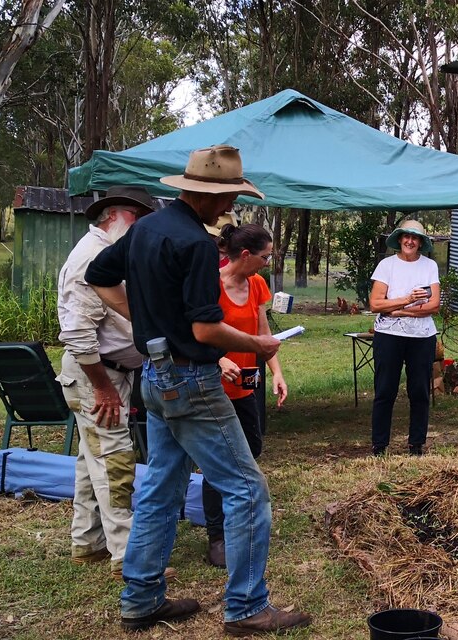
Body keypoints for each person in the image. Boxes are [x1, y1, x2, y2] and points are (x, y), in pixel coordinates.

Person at [86, 145, 310, 635]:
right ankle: (248, 606)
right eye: (228, 196)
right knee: (248, 491)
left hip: (154, 376)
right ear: (211, 194)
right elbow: (207, 331)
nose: (229, 205)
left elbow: (98, 275)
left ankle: (141, 598)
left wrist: (145, 322)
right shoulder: (193, 243)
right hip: (191, 379)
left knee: (161, 489)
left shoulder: (145, 229)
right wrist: (259, 343)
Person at [57, 185, 166, 580]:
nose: (140, 229)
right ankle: (129, 555)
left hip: (108, 372)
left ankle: (88, 544)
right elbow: (77, 332)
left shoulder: (109, 253)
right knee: (116, 461)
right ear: (116, 217)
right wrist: (101, 385)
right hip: (96, 375)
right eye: (138, 220)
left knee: (94, 462)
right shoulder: (91, 256)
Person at [202, 222, 288, 568]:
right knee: (217, 461)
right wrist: (219, 359)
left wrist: (277, 372)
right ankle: (217, 537)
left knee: (251, 449)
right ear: (246, 254)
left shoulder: (257, 285)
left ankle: (239, 518)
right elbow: (200, 333)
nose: (268, 262)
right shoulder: (212, 286)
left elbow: (263, 334)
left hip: (247, 384)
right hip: (213, 384)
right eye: (265, 256)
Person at [367, 219, 439, 456]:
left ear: (421, 242)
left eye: (415, 238)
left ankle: (416, 443)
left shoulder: (429, 266)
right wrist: (408, 300)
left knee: (419, 390)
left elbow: (434, 305)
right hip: (389, 335)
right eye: (406, 237)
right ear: (399, 239)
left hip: (422, 336)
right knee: (385, 389)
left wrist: (398, 310)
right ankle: (380, 444)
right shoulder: (387, 266)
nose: (410, 241)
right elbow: (376, 303)